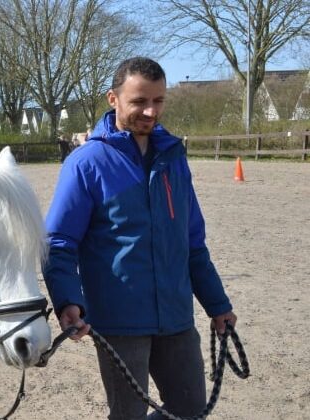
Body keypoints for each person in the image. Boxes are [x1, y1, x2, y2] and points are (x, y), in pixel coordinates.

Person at [43, 57, 237, 420]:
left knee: (191, 411)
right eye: (139, 101)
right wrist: (68, 300)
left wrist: (217, 304)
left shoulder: (173, 158)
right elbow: (59, 243)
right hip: (119, 323)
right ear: (112, 99)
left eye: (159, 101)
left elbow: (192, 242)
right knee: (128, 415)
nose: (151, 111)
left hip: (176, 317)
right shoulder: (86, 163)